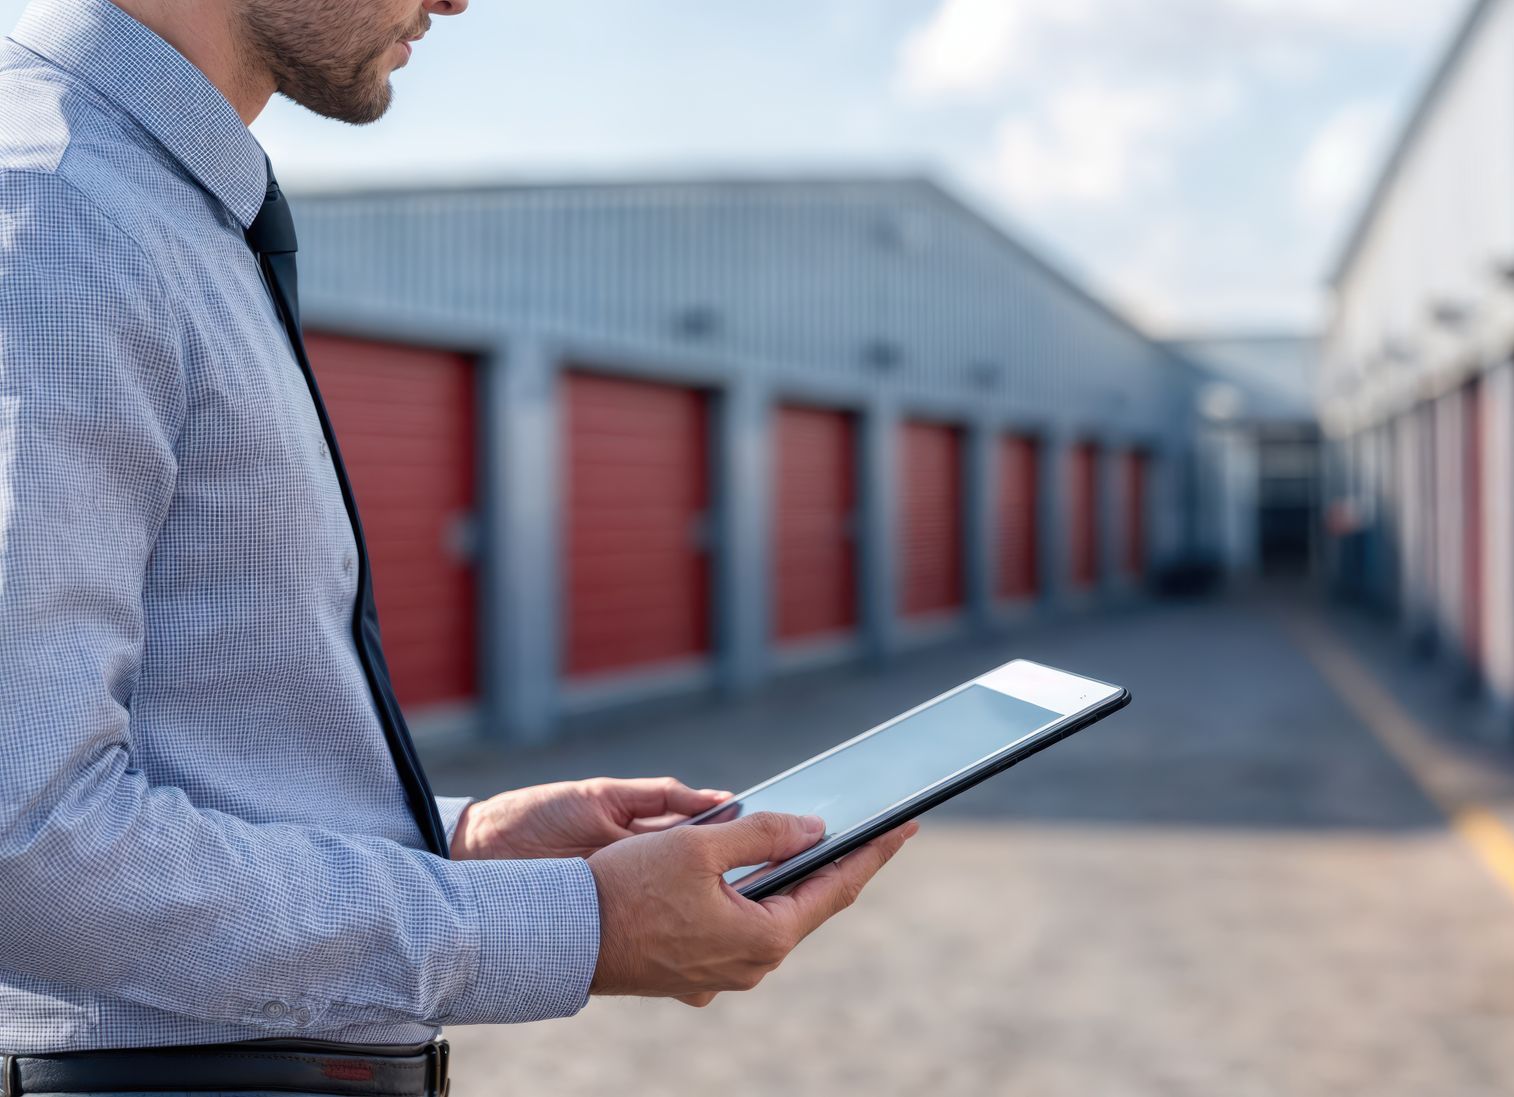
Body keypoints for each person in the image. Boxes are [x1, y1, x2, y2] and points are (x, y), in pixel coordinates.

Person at [0, 1, 915, 1093]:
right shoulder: (56, 209)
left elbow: (178, 742)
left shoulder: (149, 205)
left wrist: (455, 841)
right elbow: (27, 840)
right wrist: (573, 923)